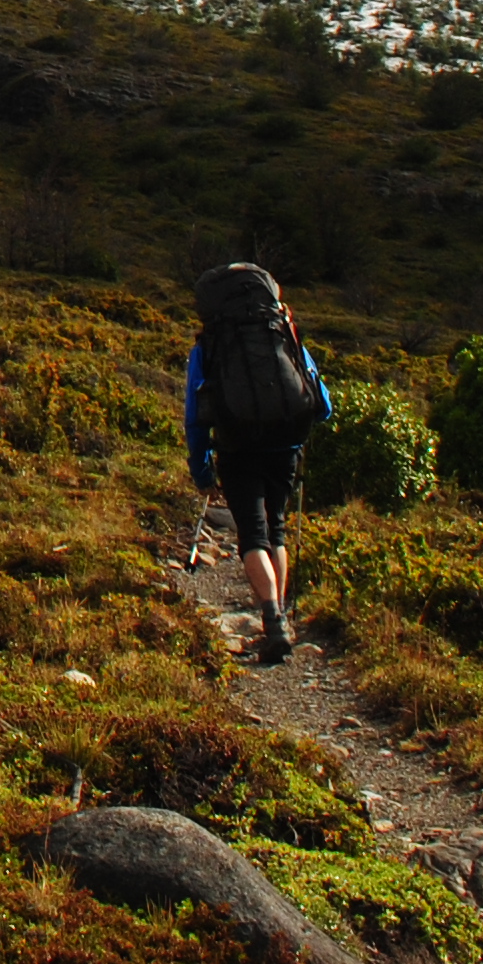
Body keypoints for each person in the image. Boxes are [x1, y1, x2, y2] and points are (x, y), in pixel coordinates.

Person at [184, 261, 329, 665]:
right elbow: (323, 401)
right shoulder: (282, 330)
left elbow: (195, 412)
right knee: (276, 527)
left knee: (252, 533)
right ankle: (278, 618)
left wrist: (201, 470)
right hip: (286, 440)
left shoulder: (210, 345)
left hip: (237, 445)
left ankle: (272, 619)